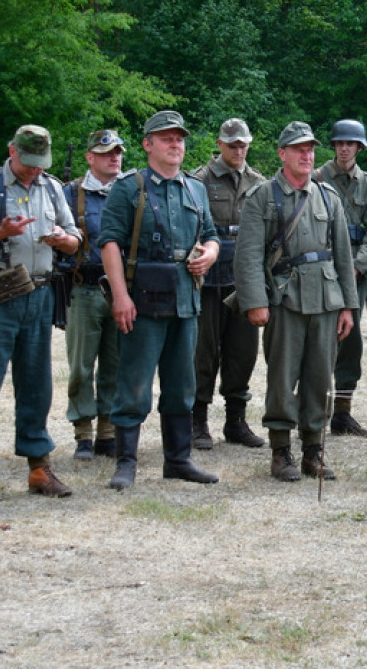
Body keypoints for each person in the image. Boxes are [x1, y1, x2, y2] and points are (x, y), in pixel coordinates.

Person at [98, 110, 221, 490]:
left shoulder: (195, 188)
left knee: (182, 384)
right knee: (133, 383)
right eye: (166, 138)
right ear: (148, 144)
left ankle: (178, 460)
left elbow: (212, 234)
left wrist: (211, 255)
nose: (175, 144)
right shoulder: (128, 187)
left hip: (186, 300)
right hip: (142, 300)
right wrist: (120, 295)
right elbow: (109, 242)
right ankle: (127, 462)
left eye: (180, 138)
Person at [234, 121, 358, 482]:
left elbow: (343, 258)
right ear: (282, 153)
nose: (307, 155)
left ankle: (312, 450)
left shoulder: (327, 197)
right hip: (283, 301)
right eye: (298, 149)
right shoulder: (262, 196)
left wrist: (347, 306)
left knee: (320, 378)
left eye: (311, 149)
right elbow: (248, 256)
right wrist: (255, 302)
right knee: (282, 378)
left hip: (325, 299)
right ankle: (281, 450)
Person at [0, 124, 81, 502]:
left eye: (40, 163)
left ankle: (39, 467)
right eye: (29, 163)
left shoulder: (52, 188)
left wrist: (61, 239)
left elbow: (74, 240)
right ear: (12, 151)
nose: (35, 170)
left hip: (39, 294)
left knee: (37, 385)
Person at [190, 118, 265, 450]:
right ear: (219, 144)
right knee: (203, 353)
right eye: (232, 144)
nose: (238, 150)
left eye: (243, 144)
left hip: (244, 282)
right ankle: (197, 421)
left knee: (243, 353)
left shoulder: (260, 184)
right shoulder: (198, 181)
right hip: (207, 281)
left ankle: (235, 421)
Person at [314, 119, 367, 438]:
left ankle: (342, 413)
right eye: (340, 143)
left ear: (359, 148)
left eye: (350, 144)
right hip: (322, 272)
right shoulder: (317, 178)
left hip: (354, 275)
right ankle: (314, 412)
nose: (344, 148)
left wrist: (356, 267)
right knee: (317, 342)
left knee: (350, 344)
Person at [59, 129, 125, 460]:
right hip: (83, 288)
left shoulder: (130, 192)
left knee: (115, 364)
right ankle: (83, 431)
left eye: (118, 152)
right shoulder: (70, 193)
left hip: (121, 291)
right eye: (106, 152)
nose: (114, 157)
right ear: (90, 157)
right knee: (80, 366)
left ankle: (108, 430)